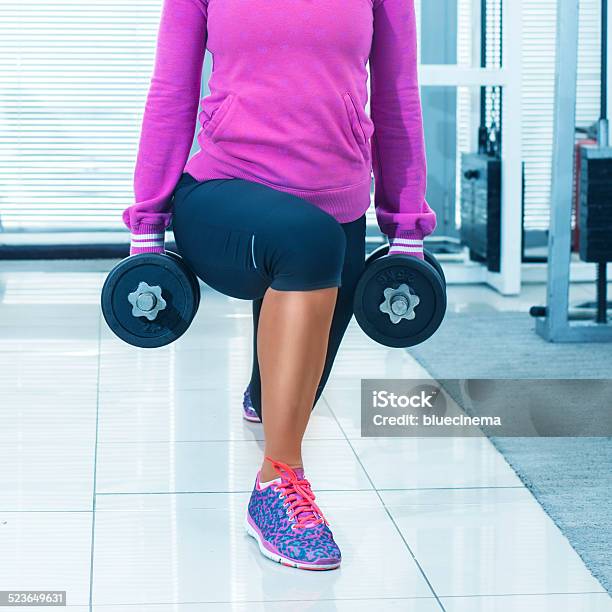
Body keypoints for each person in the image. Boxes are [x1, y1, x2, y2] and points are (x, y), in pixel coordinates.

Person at [122, 0, 436, 571]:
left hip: (336, 210)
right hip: (222, 195)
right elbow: (172, 92)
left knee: (289, 393)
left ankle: (260, 389)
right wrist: (147, 224)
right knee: (307, 243)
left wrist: (406, 225)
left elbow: (396, 98)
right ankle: (276, 487)